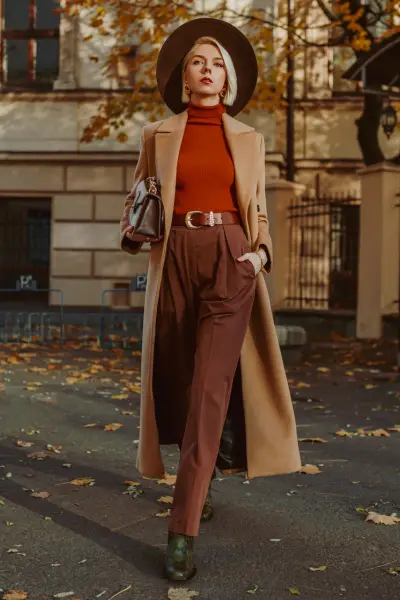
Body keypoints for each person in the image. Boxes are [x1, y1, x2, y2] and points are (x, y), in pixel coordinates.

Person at [120, 17, 301, 581]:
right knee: (175, 381)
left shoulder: (249, 138)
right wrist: (134, 230)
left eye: (217, 63)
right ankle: (201, 474)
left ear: (228, 80)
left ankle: (181, 529)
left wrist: (259, 255)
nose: (208, 69)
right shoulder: (157, 134)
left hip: (230, 257)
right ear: (184, 75)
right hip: (174, 258)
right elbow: (142, 197)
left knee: (208, 390)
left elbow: (258, 211)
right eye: (199, 61)